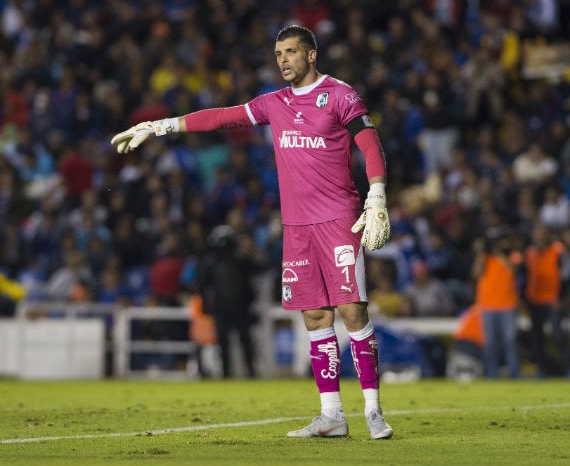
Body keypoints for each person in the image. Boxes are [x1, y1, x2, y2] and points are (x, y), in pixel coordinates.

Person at [111, 25, 393, 439]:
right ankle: (331, 414)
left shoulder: (339, 94)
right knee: (315, 316)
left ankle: (373, 410)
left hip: (338, 218)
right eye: (279, 53)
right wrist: (160, 126)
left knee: (352, 310)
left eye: (292, 52)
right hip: (296, 225)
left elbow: (369, 142)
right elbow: (221, 117)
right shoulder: (272, 103)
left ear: (311, 55)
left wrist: (379, 194)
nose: (283, 59)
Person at [195, 225, 259, 378]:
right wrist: (205, 305)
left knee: (244, 341)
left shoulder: (240, 260)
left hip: (238, 307)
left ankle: (249, 372)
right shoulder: (211, 262)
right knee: (224, 342)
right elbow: (202, 285)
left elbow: (257, 272)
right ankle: (226, 373)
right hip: (224, 307)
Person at [524, 223, 570, 379]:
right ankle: (541, 370)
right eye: (536, 232)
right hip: (534, 301)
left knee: (558, 335)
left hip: (553, 301)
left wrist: (562, 298)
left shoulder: (557, 251)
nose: (539, 236)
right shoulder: (529, 253)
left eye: (542, 232)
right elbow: (524, 277)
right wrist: (523, 299)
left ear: (547, 235)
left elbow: (567, 275)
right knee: (536, 338)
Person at [471, 228, 521, 379]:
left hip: (508, 306)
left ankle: (514, 374)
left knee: (510, 342)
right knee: (490, 344)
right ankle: (492, 375)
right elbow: (475, 274)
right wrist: (480, 254)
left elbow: (513, 270)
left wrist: (498, 253)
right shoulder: (485, 258)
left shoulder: (515, 256)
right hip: (488, 306)